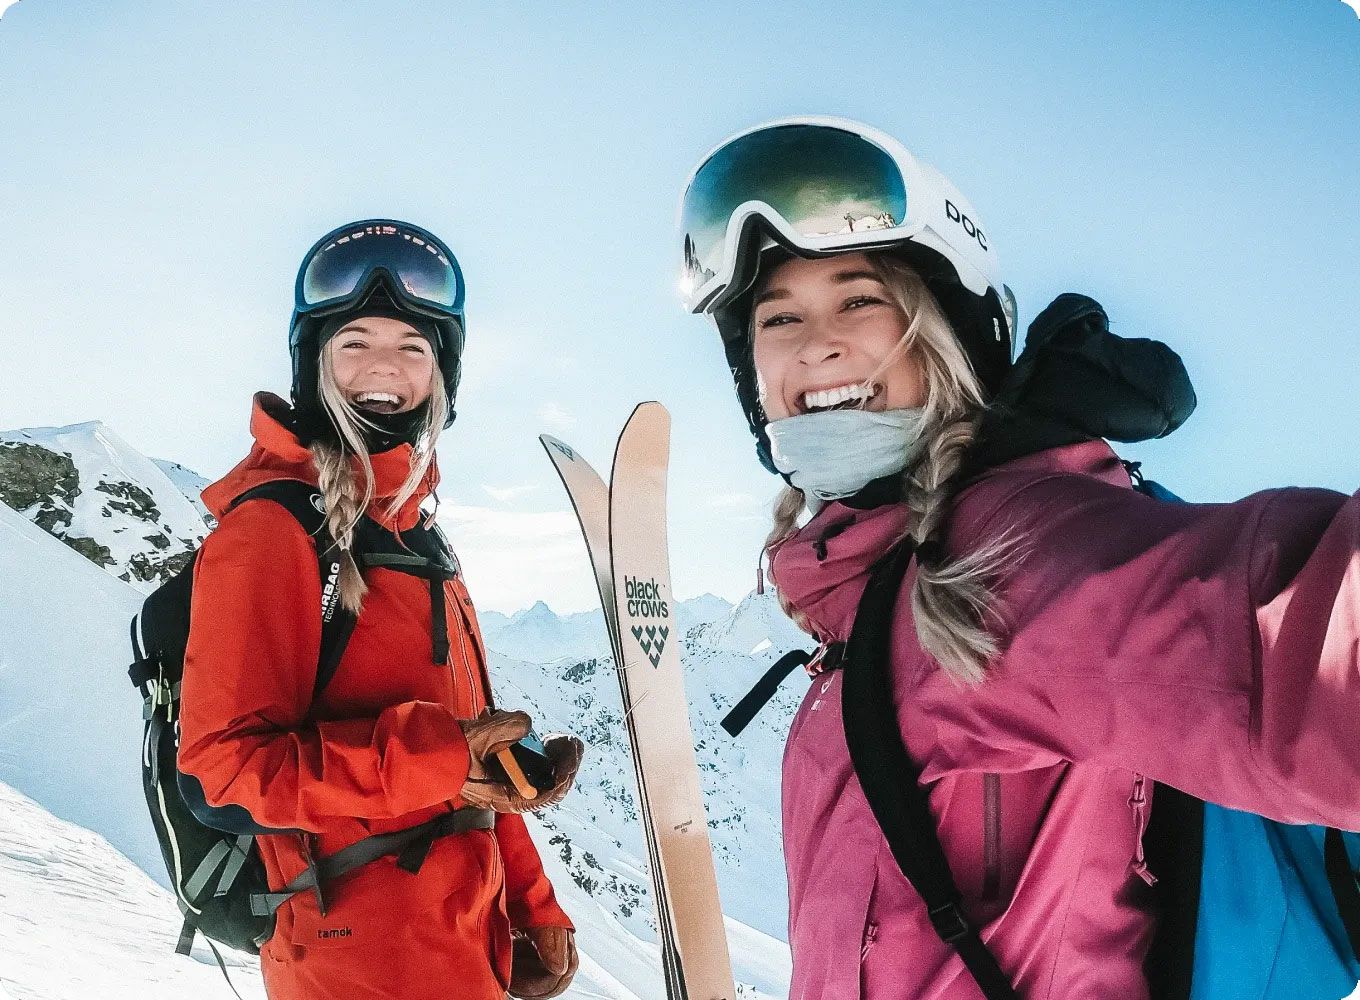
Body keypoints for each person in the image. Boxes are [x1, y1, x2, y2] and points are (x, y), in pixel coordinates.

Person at [678, 117, 1360, 999]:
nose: (816, 343)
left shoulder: (1005, 559)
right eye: (779, 317)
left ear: (949, 335)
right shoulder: (868, 582)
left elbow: (1296, 646)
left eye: (859, 300)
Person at [177, 219, 583, 1000]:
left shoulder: (414, 534)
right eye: (354, 342)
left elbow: (469, 751)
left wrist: (531, 904)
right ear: (314, 363)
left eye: (412, 347)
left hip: (464, 946)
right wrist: (443, 759)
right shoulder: (272, 532)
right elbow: (225, 775)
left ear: (440, 375)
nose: (383, 368)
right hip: (353, 966)